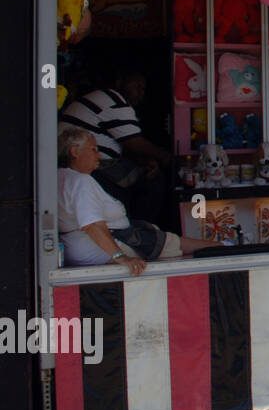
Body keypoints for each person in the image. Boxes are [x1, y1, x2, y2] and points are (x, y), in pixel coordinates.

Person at [58, 127, 210, 275]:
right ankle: (228, 248)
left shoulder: (61, 176)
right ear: (75, 152)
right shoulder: (81, 181)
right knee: (194, 246)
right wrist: (121, 257)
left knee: (162, 236)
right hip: (102, 250)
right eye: (93, 149)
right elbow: (92, 225)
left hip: (86, 248)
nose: (99, 155)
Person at [59, 69, 171, 224]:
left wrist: (144, 159)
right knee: (153, 181)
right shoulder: (113, 99)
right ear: (120, 83)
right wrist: (165, 157)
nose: (140, 92)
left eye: (143, 89)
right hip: (83, 163)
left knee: (144, 174)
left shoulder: (108, 101)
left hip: (87, 162)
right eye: (136, 86)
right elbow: (134, 143)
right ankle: (140, 229)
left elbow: (126, 144)